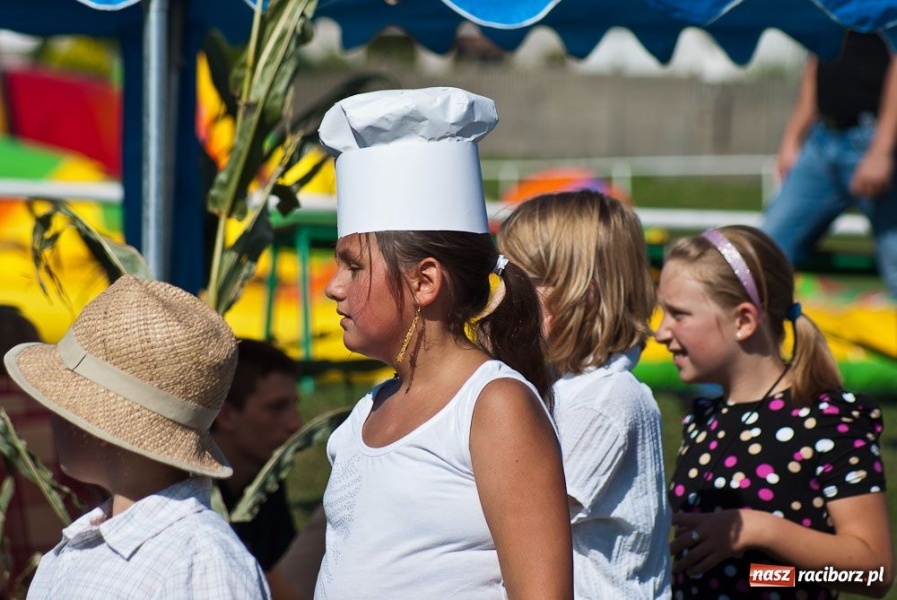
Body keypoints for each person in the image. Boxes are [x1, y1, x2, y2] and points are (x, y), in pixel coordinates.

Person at [314, 87, 573, 599]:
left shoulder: (494, 407)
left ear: (424, 282)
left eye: (355, 266)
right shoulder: (369, 410)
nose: (332, 285)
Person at [655, 225, 893, 598]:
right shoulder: (701, 420)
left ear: (744, 321)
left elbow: (873, 574)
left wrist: (757, 530)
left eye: (678, 314)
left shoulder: (828, 422)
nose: (661, 331)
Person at [3, 276, 270, 599]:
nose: (51, 416)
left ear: (98, 424)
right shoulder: (79, 547)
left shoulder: (200, 564)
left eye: (60, 404)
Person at [497, 190, 671, 599]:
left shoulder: (605, 402)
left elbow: (522, 519)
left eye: (524, 281)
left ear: (584, 293)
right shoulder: (567, 387)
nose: (506, 295)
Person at [761, 31, 897, 298]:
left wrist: (882, 149)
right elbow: (818, 53)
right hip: (822, 139)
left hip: (873, 139)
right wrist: (793, 136)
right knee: (765, 252)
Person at [211, 338, 306, 599]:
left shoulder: (263, 484)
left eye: (294, 405)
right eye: (276, 408)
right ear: (226, 415)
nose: (295, 424)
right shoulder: (194, 497)